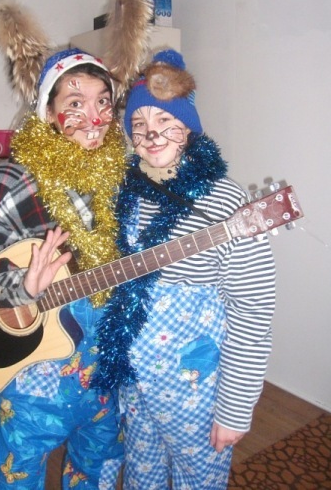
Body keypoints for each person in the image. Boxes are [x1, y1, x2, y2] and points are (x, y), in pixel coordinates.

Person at [0, 0, 152, 489]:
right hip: (35, 380)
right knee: (17, 479)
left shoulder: (124, 175)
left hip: (106, 373)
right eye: (75, 102)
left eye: (103, 101)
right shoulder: (17, 179)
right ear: (48, 112)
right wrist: (18, 287)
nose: (94, 118)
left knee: (96, 472)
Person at [93, 50, 276, 489]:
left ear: (189, 128)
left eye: (165, 120)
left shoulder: (226, 200)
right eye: (139, 124)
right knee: (142, 476)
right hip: (135, 384)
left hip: (194, 390)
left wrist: (235, 408)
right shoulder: (126, 194)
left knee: (198, 481)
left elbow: (253, 309)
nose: (151, 134)